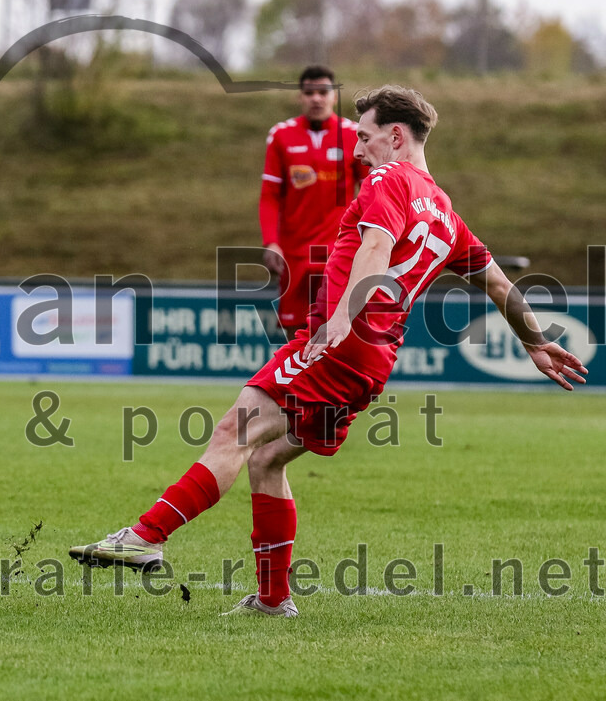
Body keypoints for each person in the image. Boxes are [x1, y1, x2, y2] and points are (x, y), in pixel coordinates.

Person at [70, 85, 587, 617]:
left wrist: (341, 317)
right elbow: (500, 286)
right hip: (372, 361)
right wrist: (534, 341)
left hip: (342, 344)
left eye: (363, 138)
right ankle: (273, 602)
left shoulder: (391, 178)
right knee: (268, 459)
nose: (357, 150)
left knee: (234, 432)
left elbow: (376, 246)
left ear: (394, 135)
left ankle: (146, 536)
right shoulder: (447, 214)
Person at [260, 65, 369, 340]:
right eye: (310, 93)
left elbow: (370, 189)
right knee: (295, 333)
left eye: (323, 92)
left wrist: (367, 238)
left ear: (334, 96)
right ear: (300, 96)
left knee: (339, 327)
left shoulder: (354, 134)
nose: (316, 98)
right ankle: (295, 383)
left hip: (339, 250)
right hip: (294, 253)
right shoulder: (281, 135)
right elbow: (270, 195)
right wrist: (271, 241)